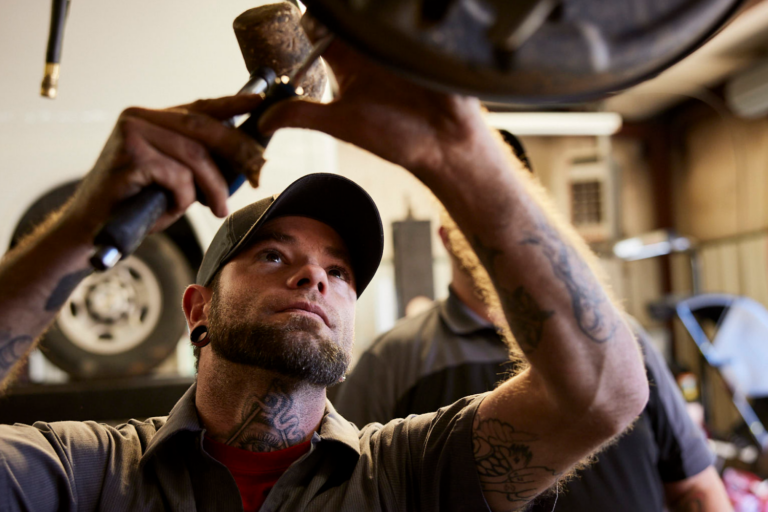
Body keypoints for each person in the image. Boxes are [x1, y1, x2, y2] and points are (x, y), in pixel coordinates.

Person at [0, 17, 648, 512]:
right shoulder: (89, 474)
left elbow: (602, 394)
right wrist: (81, 226)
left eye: (339, 272)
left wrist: (459, 155)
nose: (315, 277)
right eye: (273, 253)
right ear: (198, 309)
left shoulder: (408, 473)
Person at [334, 211, 734, 511]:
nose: (499, 226)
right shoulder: (394, 358)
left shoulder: (620, 341)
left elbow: (696, 487)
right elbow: (345, 493)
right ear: (445, 235)